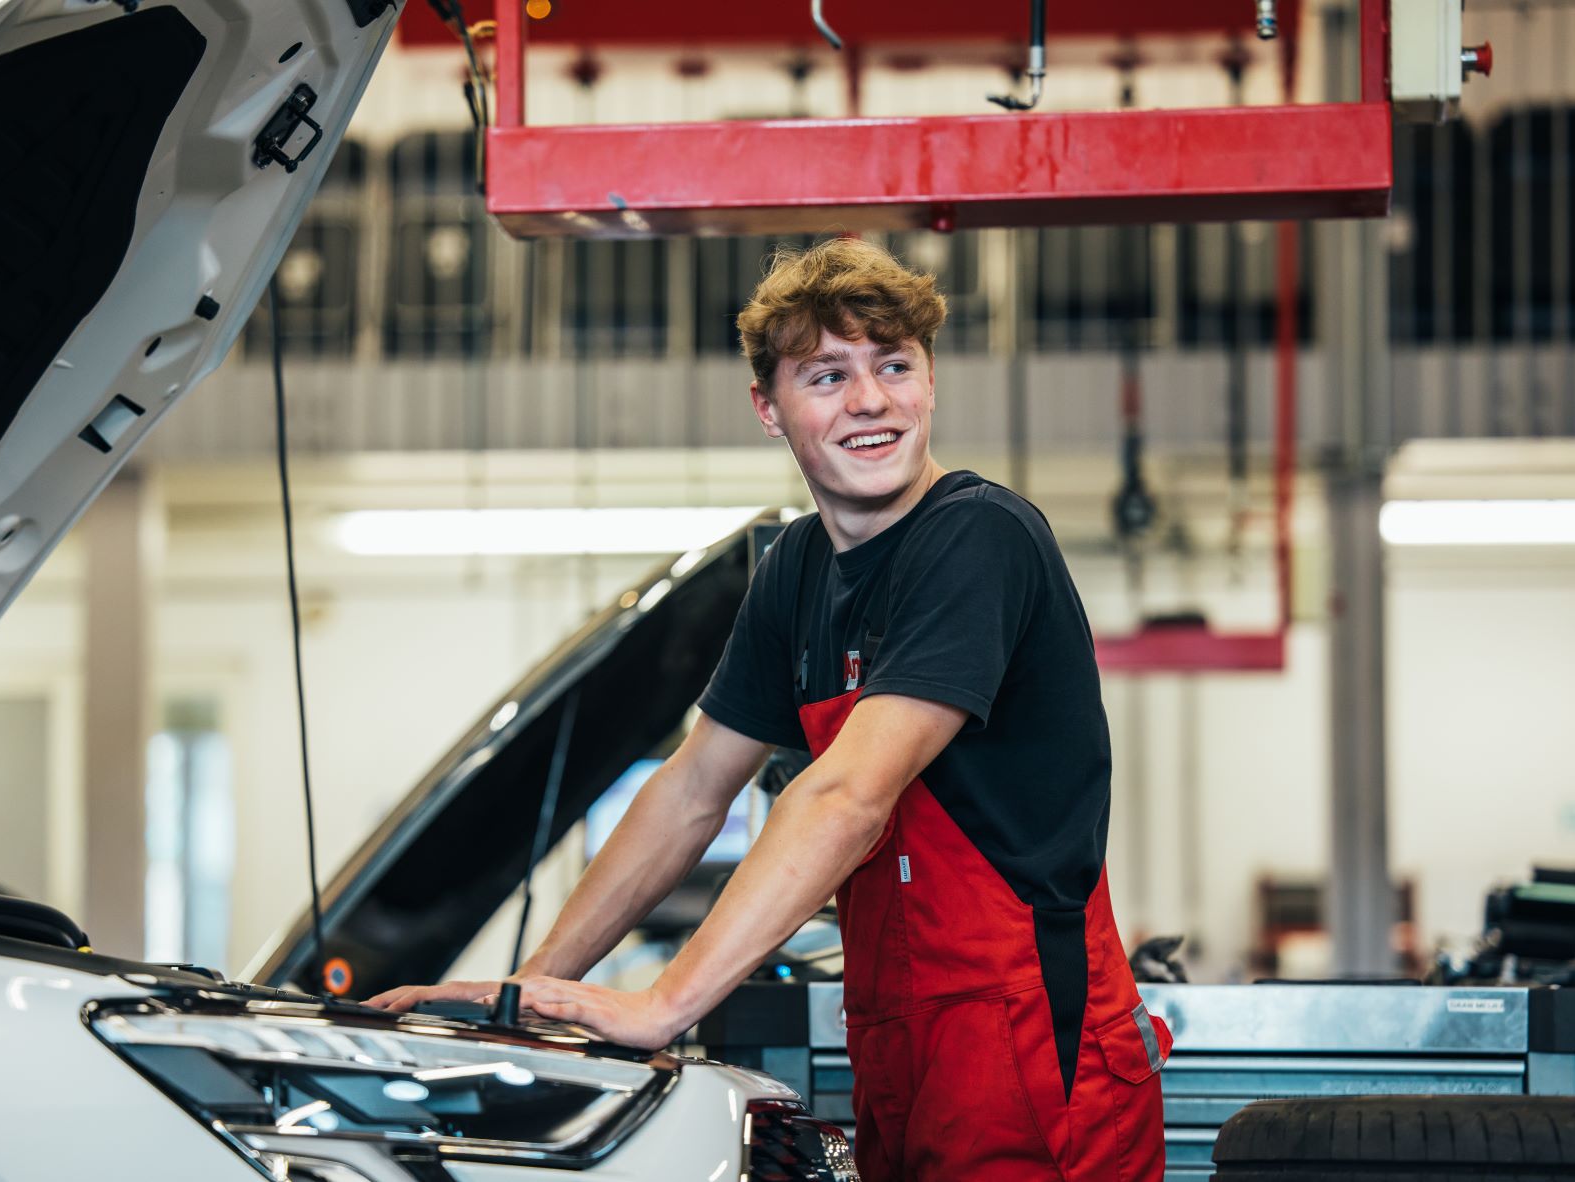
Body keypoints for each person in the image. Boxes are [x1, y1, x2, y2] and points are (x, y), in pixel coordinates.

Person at [368, 237, 1170, 1180]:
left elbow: (846, 796)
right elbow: (691, 791)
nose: (869, 401)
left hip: (1031, 1042)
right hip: (897, 1037)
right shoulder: (794, 570)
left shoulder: (977, 537)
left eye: (893, 365)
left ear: (930, 380)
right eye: (825, 375)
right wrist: (533, 988)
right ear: (768, 408)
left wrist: (665, 1003)